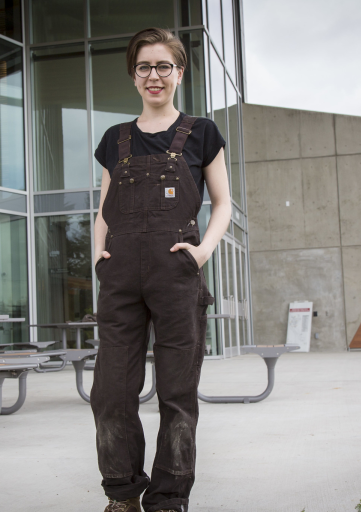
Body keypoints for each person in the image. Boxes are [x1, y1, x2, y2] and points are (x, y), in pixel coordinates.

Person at [90, 27, 232, 512]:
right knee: (110, 393)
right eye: (145, 67)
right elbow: (103, 208)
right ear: (134, 76)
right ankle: (123, 494)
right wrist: (98, 256)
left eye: (163, 66)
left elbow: (223, 204)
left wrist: (202, 252)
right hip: (120, 278)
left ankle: (169, 499)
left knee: (176, 394)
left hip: (177, 276)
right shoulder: (115, 140)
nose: (155, 76)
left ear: (179, 72)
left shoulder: (202, 133)